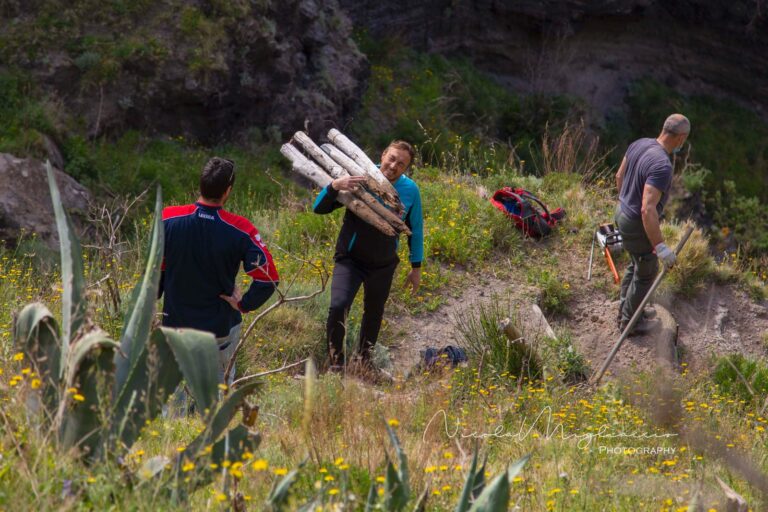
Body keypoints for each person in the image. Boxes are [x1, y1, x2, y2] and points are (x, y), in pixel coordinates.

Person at [159, 157, 279, 386]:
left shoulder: (168, 218)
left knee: (173, 396)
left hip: (175, 326)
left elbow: (155, 270)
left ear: (200, 185)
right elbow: (269, 279)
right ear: (227, 191)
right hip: (218, 329)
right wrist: (244, 303)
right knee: (215, 396)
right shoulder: (241, 229)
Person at [313, 140, 424, 376]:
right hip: (350, 259)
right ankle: (336, 364)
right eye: (391, 158)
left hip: (383, 264)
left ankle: (364, 361)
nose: (393, 166)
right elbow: (318, 208)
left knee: (374, 313)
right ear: (383, 154)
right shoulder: (358, 174)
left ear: (406, 168)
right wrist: (334, 186)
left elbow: (416, 230)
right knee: (338, 306)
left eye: (401, 164)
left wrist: (416, 268)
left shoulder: (410, 190)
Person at [614, 113, 690, 334]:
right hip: (636, 222)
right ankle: (631, 323)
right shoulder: (662, 165)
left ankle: (627, 310)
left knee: (636, 263)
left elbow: (619, 177)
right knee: (647, 270)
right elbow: (647, 209)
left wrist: (626, 201)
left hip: (621, 212)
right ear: (681, 138)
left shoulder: (639, 144)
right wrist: (661, 247)